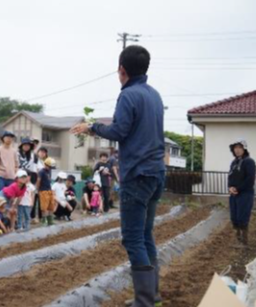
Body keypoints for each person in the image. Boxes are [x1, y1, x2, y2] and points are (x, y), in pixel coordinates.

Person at [69, 44, 166, 306]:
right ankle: (152, 297)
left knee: (133, 238)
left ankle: (145, 301)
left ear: (121, 70)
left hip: (137, 174)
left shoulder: (128, 95)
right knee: (146, 235)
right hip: (157, 174)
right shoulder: (154, 95)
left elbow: (119, 131)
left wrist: (92, 127)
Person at [227, 138, 256, 246]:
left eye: (240, 147)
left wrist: (238, 189)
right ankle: (237, 239)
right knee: (234, 217)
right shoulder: (234, 162)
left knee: (242, 216)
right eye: (235, 148)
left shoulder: (249, 162)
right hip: (233, 194)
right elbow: (230, 177)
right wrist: (230, 187)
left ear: (244, 149)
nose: (237, 150)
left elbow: (250, 179)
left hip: (245, 193)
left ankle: (244, 241)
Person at [37, 157, 55, 226]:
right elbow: (38, 180)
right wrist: (38, 190)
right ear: (46, 164)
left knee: (51, 206)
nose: (50, 168)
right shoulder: (41, 171)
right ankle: (44, 220)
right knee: (44, 207)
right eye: (49, 166)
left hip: (49, 190)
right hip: (43, 190)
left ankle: (50, 220)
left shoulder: (49, 171)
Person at [32, 147, 49, 223]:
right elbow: (35, 171)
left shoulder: (46, 162)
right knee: (33, 200)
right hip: (35, 182)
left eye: (44, 152)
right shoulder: (35, 160)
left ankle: (40, 217)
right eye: (41, 152)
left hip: (43, 185)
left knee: (41, 201)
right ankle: (32, 217)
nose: (42, 153)